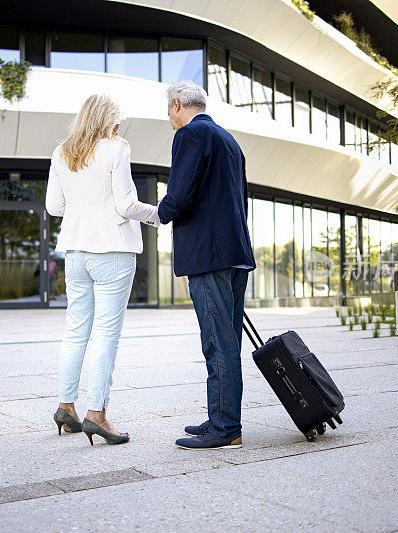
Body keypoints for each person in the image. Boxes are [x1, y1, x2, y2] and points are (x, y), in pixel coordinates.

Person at [46, 93, 160, 445]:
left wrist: (85, 206)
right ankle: (97, 414)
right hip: (112, 250)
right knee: (106, 333)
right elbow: (126, 204)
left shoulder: (62, 151)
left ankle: (67, 406)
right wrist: (159, 215)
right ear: (109, 119)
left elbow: (54, 206)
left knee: (76, 330)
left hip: (76, 252)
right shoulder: (116, 148)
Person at [158, 81, 255, 450]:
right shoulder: (228, 139)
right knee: (226, 340)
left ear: (178, 104)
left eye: (169, 110)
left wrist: (154, 214)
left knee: (217, 342)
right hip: (235, 253)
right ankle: (222, 416)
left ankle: (226, 427)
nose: (169, 118)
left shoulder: (190, 134)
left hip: (208, 256)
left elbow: (179, 195)